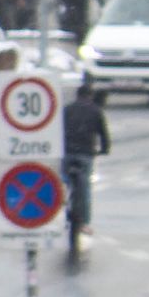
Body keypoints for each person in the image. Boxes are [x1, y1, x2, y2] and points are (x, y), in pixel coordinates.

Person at [61, 85, 110, 257]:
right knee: (85, 187)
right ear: (90, 96)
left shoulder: (66, 110)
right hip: (85, 154)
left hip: (67, 153)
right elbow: (104, 134)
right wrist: (104, 149)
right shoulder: (96, 111)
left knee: (64, 182)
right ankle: (85, 222)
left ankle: (63, 203)